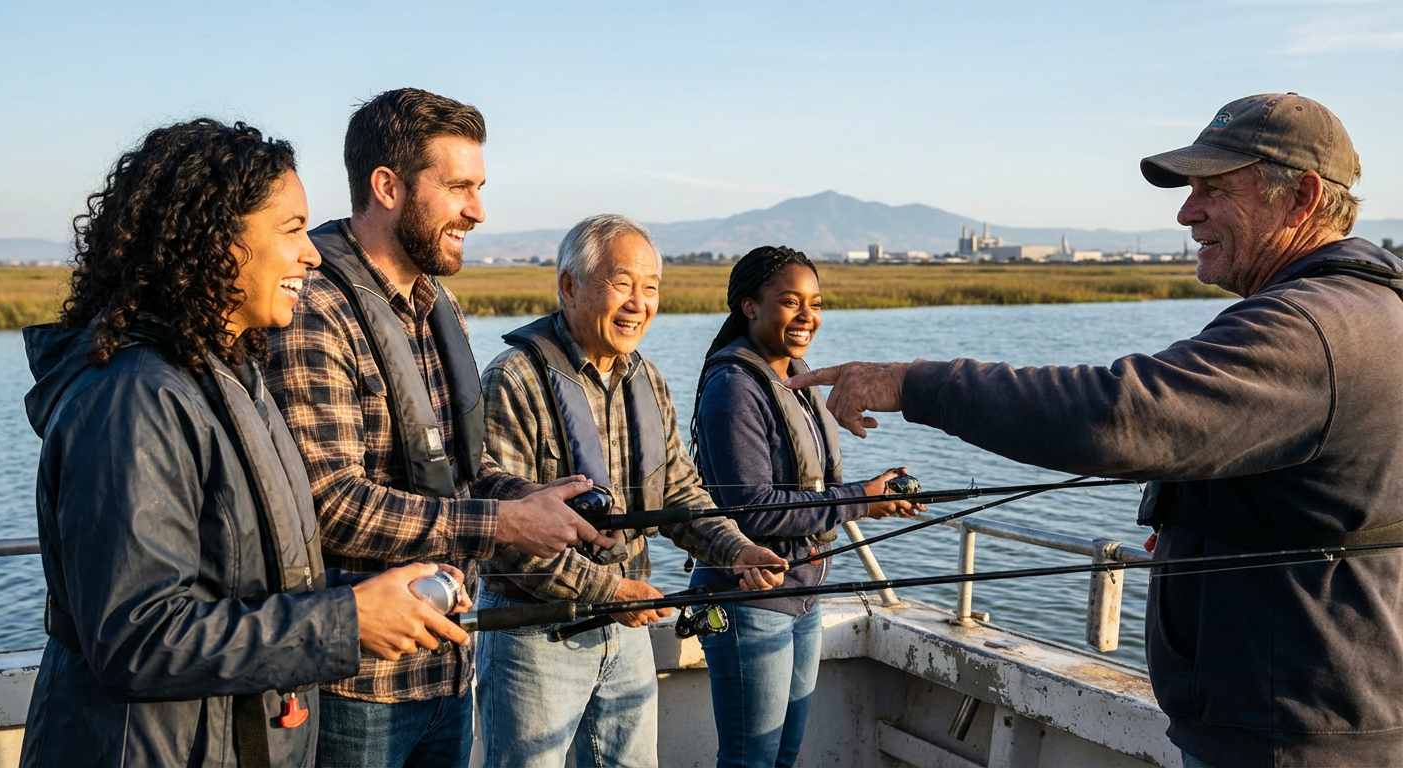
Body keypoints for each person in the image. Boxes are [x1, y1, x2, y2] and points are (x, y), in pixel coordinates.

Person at [789, 93, 1403, 767]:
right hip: (1312, 711)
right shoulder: (1366, 313)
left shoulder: (1312, 328)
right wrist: (1194, 524)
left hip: (1293, 734)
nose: (1186, 211)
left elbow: (1120, 415)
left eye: (1214, 190)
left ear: (1303, 196)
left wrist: (910, 383)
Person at [19, 119, 473, 767]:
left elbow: (241, 576)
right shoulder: (131, 398)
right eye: (290, 230)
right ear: (214, 242)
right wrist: (346, 623)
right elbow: (137, 638)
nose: (312, 255)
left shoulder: (231, 378)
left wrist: (373, 595)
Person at [263, 89, 614, 768]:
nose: (477, 211)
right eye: (457, 187)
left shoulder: (435, 304)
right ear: (388, 186)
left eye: (478, 188)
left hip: (446, 668)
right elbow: (325, 504)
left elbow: (459, 475)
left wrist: (542, 501)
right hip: (354, 688)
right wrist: (506, 525)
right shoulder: (317, 310)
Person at [477, 214, 788, 768]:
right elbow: (506, 533)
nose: (638, 303)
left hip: (626, 632)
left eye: (650, 289)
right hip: (533, 636)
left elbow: (680, 492)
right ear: (570, 286)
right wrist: (606, 590)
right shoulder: (514, 378)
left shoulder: (647, 379)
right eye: (622, 284)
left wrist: (736, 549)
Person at [689, 245, 917, 767]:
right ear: (749, 306)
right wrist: (859, 498)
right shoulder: (734, 387)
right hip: (749, 602)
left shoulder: (797, 377)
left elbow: (815, 493)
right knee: (752, 759)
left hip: (805, 594)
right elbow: (754, 512)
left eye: (815, 303)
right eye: (791, 302)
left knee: (783, 757)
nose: (807, 316)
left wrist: (876, 501)